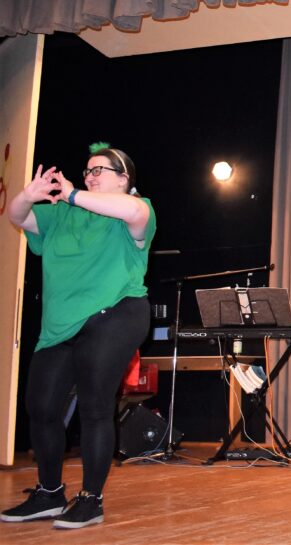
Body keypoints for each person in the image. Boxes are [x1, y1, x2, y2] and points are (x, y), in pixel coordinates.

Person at [2, 143, 155, 529]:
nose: (90, 175)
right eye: (87, 170)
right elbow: (16, 215)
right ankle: (49, 493)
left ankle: (91, 499)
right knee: (41, 407)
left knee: (95, 405)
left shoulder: (135, 209)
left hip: (115, 313)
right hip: (61, 325)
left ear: (124, 178)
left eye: (99, 169)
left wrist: (72, 193)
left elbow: (133, 212)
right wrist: (29, 195)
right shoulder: (61, 215)